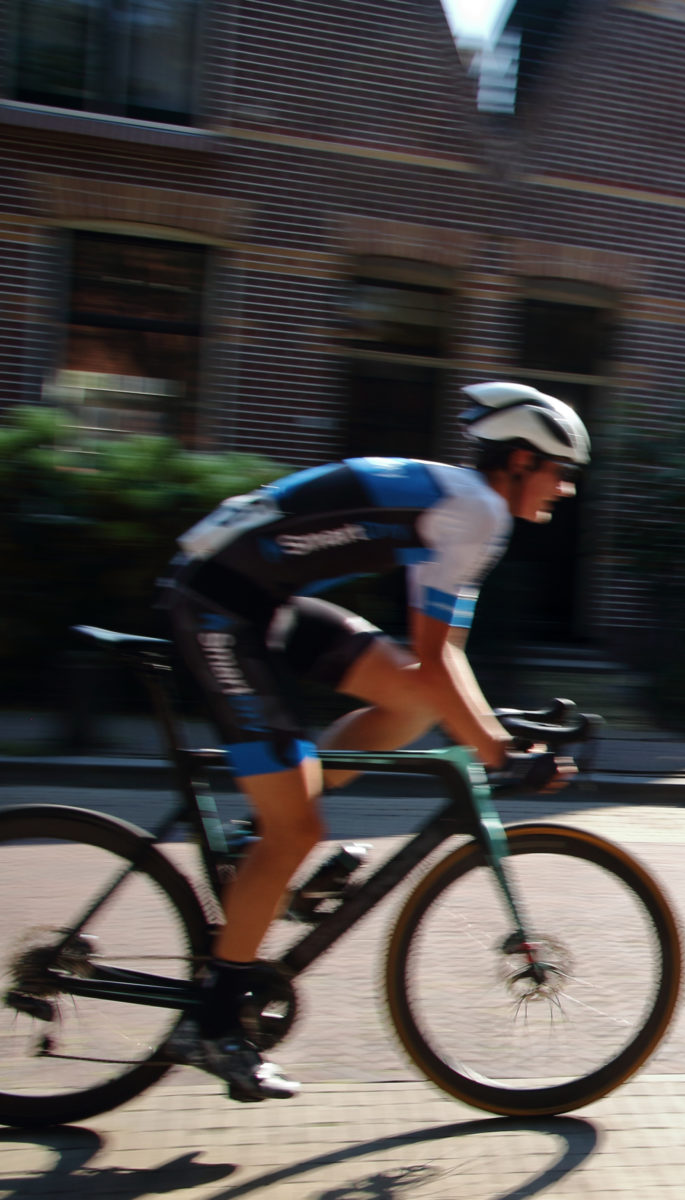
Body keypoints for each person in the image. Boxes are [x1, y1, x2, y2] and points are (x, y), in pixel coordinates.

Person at [157, 382, 589, 1101]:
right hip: (218, 608)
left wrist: (491, 731)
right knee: (297, 831)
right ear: (519, 460)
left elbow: (437, 664)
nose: (567, 489)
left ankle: (247, 841)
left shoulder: (462, 504)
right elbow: (436, 657)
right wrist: (500, 753)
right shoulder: (478, 513)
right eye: (559, 470)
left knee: (414, 704)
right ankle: (211, 1023)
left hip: (256, 597)